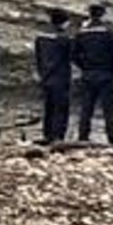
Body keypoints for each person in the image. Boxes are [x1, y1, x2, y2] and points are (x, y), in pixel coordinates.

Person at [72, 4, 113, 146]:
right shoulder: (109, 32)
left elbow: (74, 54)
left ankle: (83, 137)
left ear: (90, 14)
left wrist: (84, 67)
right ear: (103, 14)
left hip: (88, 74)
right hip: (106, 74)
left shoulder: (82, 33)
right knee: (109, 111)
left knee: (86, 108)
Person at [34, 8, 74, 144]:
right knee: (60, 107)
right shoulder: (65, 39)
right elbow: (71, 56)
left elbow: (38, 57)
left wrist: (41, 72)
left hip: (45, 75)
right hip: (61, 76)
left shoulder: (41, 37)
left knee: (49, 106)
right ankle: (58, 136)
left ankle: (47, 134)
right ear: (63, 23)